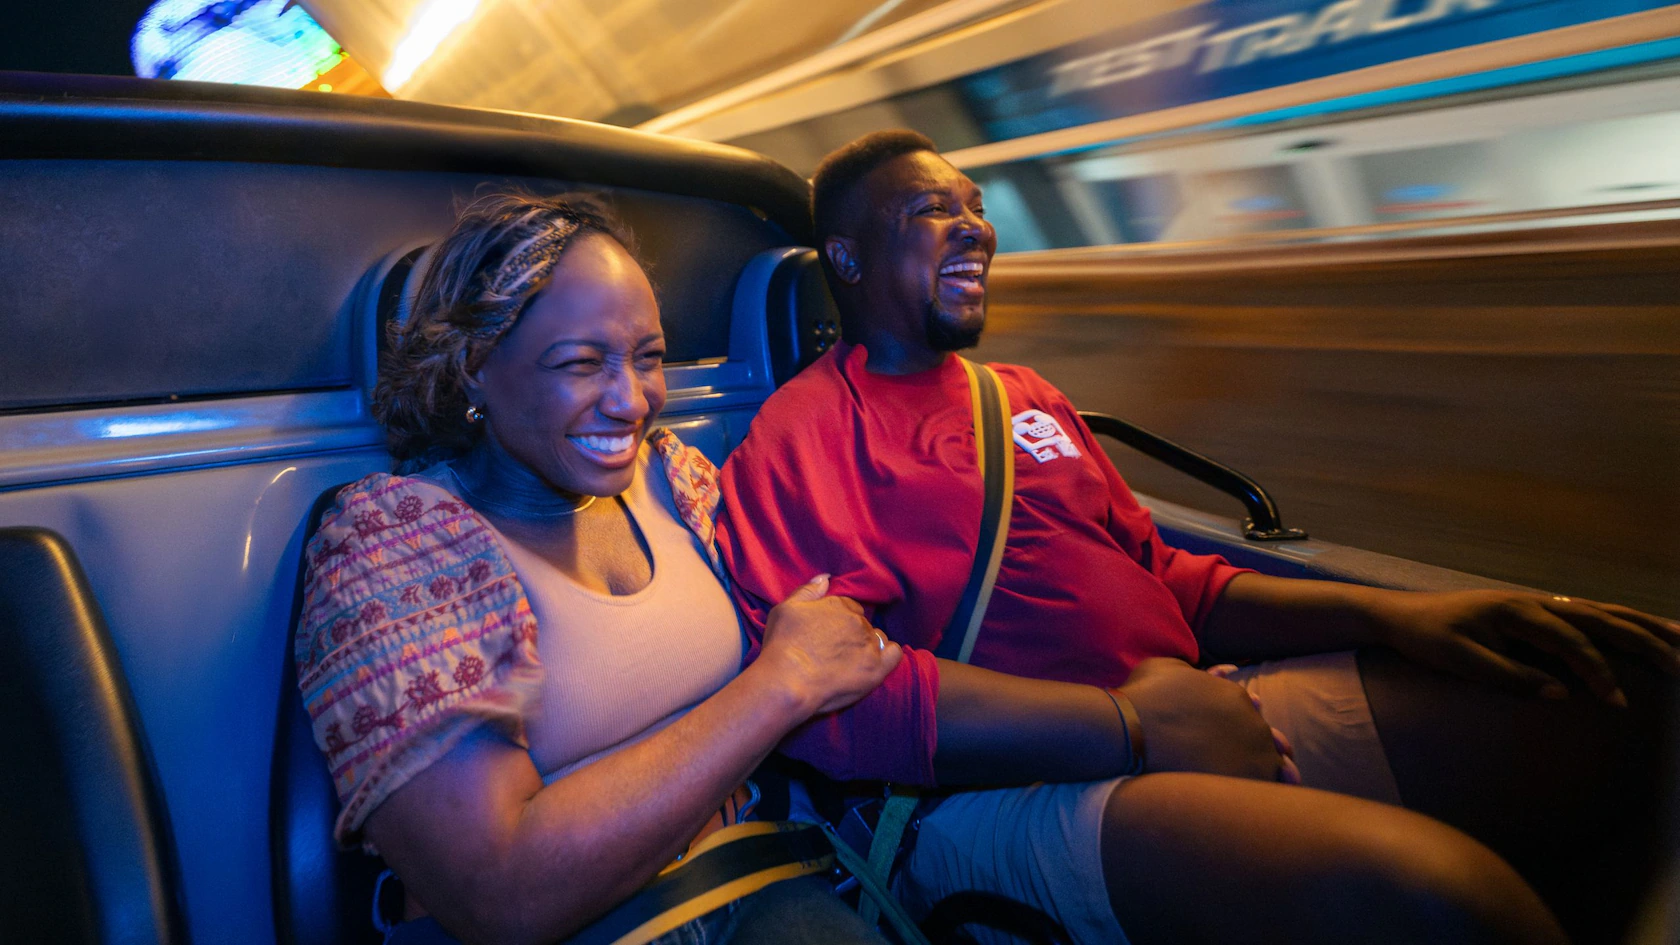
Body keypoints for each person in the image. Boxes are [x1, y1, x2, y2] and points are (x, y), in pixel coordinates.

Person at [716, 131, 1680, 945]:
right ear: (847, 259)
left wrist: (1397, 617)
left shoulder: (1020, 394)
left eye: (975, 204)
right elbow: (837, 704)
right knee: (1438, 896)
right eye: (932, 210)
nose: (975, 226)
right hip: (996, 792)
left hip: (1192, 702)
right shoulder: (807, 433)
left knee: (1611, 700)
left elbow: (1170, 578)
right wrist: (1133, 726)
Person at [297, 193, 900, 945]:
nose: (631, 401)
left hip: (753, 881)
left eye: (648, 358)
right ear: (474, 367)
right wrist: (780, 685)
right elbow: (501, 892)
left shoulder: (676, 481)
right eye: (581, 364)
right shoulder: (394, 545)